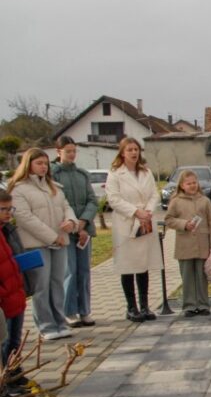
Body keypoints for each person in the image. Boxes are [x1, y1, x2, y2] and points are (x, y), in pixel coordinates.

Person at [8, 148, 78, 340]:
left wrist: (71, 222)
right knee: (41, 285)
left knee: (57, 283)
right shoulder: (19, 189)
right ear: (28, 164)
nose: (43, 167)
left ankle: (60, 321)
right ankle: (46, 325)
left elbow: (66, 207)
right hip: (36, 244)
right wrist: (51, 236)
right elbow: (25, 218)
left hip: (60, 241)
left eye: (45, 163)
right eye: (39, 163)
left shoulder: (54, 187)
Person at [105, 137, 163, 322]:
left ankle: (145, 305)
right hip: (127, 222)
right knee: (128, 265)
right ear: (122, 152)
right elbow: (113, 199)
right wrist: (135, 211)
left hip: (145, 222)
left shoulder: (146, 172)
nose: (134, 153)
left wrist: (147, 210)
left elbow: (155, 194)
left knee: (143, 265)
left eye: (136, 149)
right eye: (129, 149)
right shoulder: (115, 174)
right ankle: (131, 307)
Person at [51, 135, 99, 328]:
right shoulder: (54, 175)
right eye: (67, 151)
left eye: (73, 151)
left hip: (83, 229)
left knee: (84, 271)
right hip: (65, 229)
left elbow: (92, 200)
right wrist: (71, 223)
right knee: (69, 271)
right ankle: (69, 311)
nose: (71, 155)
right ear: (58, 152)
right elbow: (57, 203)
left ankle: (84, 309)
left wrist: (84, 222)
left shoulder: (82, 174)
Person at [164, 170, 211, 317]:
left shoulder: (205, 201)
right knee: (187, 276)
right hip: (185, 245)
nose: (192, 186)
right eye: (189, 183)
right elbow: (168, 220)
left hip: (203, 244)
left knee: (202, 276)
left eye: (194, 183)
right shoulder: (175, 201)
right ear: (182, 185)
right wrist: (183, 224)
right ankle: (189, 305)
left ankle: (203, 304)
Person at [0, 190, 28, 397]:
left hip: (14, 293)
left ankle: (13, 376)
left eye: (10, 209)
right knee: (5, 341)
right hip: (5, 296)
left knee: (14, 340)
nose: (9, 213)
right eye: (3, 209)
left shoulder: (6, 230)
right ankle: (5, 383)